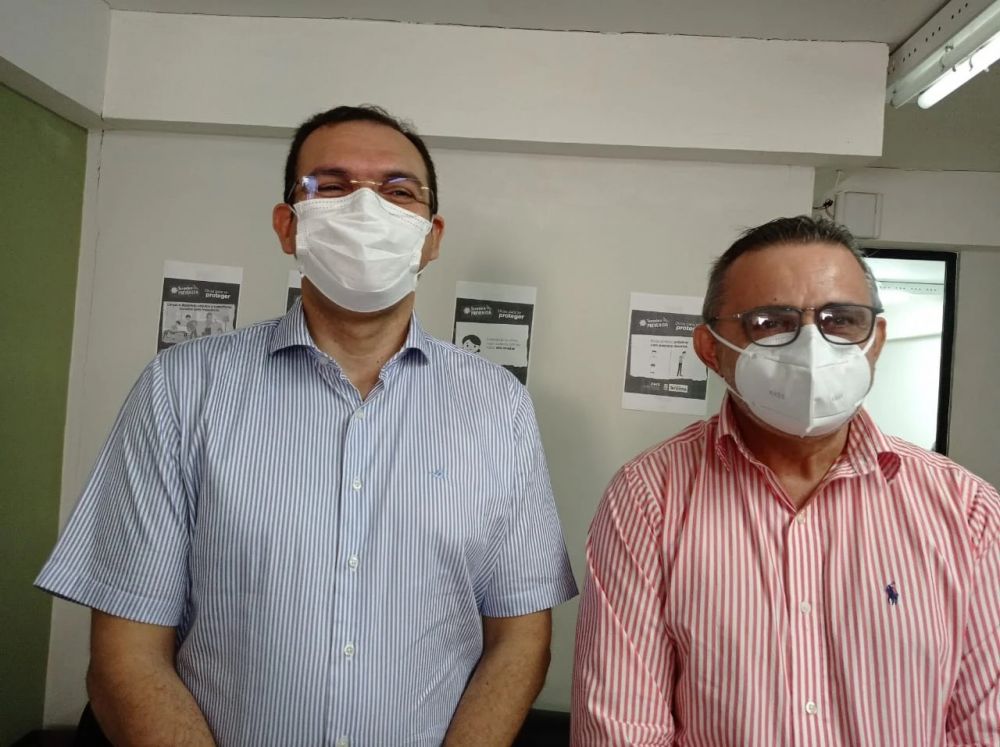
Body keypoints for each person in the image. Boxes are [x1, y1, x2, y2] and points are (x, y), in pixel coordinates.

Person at [37, 105, 577, 747]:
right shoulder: (181, 389)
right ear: (288, 226)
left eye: (398, 191)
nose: (366, 209)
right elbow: (126, 654)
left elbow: (521, 639)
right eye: (333, 186)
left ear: (431, 239)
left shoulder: (497, 407)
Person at [572, 216, 1000, 745]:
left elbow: (983, 727)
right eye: (770, 322)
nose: (813, 346)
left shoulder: (968, 511)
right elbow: (621, 729)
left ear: (876, 340)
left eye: (842, 320)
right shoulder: (648, 498)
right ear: (710, 349)